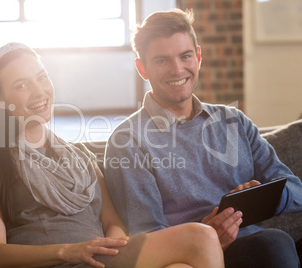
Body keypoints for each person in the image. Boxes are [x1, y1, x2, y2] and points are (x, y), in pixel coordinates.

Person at [0, 42, 224, 268]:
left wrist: (109, 247)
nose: (39, 91)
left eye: (41, 76)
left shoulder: (80, 156)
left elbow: (113, 223)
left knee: (190, 255)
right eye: (22, 85)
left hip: (101, 259)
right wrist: (67, 251)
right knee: (200, 238)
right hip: (58, 262)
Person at [104, 8, 302, 268]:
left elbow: (296, 191)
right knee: (274, 243)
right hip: (202, 257)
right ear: (142, 67)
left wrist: (263, 197)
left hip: (262, 247)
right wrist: (202, 237)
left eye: (185, 56)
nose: (178, 70)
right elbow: (146, 237)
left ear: (198, 57)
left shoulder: (234, 121)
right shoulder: (128, 141)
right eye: (162, 60)